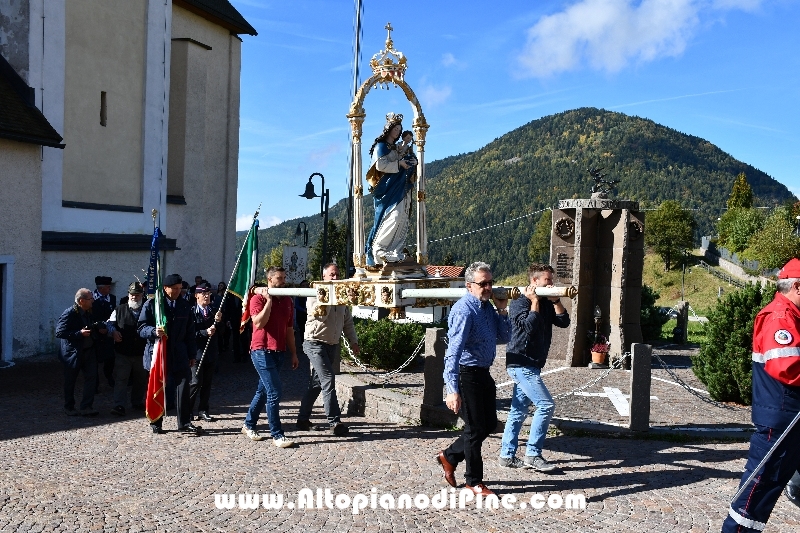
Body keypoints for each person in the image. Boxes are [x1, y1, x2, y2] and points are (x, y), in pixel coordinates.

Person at [721, 258, 800, 532]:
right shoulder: (780, 317)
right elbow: (787, 366)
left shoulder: (791, 314)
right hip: (782, 421)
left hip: (790, 418)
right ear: (797, 287)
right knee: (755, 497)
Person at [436, 261, 510, 496]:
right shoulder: (464, 311)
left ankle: (449, 456)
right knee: (475, 427)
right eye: (483, 284)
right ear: (469, 286)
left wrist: (502, 310)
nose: (488, 287)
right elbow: (453, 352)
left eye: (490, 282)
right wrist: (452, 389)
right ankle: (474, 481)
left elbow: (504, 336)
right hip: (466, 374)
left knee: (488, 425)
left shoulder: (487, 307)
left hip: (483, 373)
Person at [498, 263, 569, 471]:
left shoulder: (547, 302)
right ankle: (532, 454)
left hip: (533, 363)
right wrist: (534, 302)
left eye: (551, 279)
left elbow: (564, 322)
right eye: (547, 280)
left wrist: (556, 301)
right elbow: (530, 326)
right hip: (520, 362)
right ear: (534, 281)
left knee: (517, 411)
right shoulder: (519, 302)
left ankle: (506, 456)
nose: (551, 283)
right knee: (546, 405)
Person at [296, 264, 358, 435]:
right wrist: (330, 298)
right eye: (332, 275)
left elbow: (347, 321)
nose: (335, 278)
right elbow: (320, 316)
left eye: (337, 275)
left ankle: (302, 419)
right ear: (324, 277)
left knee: (316, 384)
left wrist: (354, 341)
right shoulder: (315, 292)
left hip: (332, 344)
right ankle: (334, 422)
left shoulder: (342, 294)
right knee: (328, 379)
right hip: (314, 342)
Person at [138, 274, 203, 435]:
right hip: (159, 352)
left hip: (180, 352)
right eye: (174, 289)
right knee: (160, 386)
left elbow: (190, 332)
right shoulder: (153, 304)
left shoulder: (184, 305)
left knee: (183, 386)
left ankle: (184, 422)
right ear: (165, 288)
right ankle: (156, 421)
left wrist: (192, 354)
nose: (178, 292)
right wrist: (153, 331)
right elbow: (141, 328)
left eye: (180, 289)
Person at [241, 267, 299, 447]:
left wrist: (294, 353)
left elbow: (289, 329)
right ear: (270, 280)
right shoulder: (257, 299)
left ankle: (248, 424)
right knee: (275, 391)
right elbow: (259, 322)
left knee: (264, 390)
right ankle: (277, 434)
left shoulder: (288, 301)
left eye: (284, 277)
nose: (283, 281)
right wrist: (269, 301)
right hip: (261, 350)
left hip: (279, 351)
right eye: (279, 278)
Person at [364, 112, 417, 266]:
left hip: (399, 185)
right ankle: (379, 250)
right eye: (395, 129)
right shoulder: (380, 146)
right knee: (392, 216)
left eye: (399, 130)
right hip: (386, 188)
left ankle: (395, 250)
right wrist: (399, 164)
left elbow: (405, 156)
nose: (398, 132)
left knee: (402, 216)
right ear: (388, 129)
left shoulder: (397, 147)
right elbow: (380, 165)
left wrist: (411, 161)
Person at [55, 289, 100, 416]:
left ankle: (86, 406)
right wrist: (78, 334)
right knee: (70, 380)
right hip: (73, 353)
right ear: (82, 301)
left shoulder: (88, 312)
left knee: (91, 378)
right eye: (90, 299)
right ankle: (69, 407)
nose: (93, 301)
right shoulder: (70, 313)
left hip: (89, 351)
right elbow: (59, 332)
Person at [107, 282, 148, 416]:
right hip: (123, 352)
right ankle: (119, 405)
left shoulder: (148, 308)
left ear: (142, 295)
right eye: (132, 295)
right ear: (128, 295)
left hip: (141, 352)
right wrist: (113, 332)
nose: (134, 297)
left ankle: (136, 402)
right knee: (121, 379)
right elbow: (109, 324)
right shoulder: (119, 309)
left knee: (141, 379)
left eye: (137, 295)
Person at [190, 281, 222, 422]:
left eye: (208, 293)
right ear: (196, 295)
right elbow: (189, 333)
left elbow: (223, 334)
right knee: (195, 382)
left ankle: (203, 409)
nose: (206, 296)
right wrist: (204, 332)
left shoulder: (214, 312)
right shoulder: (191, 312)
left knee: (207, 383)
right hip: (196, 353)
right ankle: (188, 410)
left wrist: (219, 322)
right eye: (203, 293)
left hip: (210, 352)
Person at [93, 275, 116, 388]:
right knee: (94, 360)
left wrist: (107, 327)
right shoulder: (90, 298)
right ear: (101, 288)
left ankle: (109, 376)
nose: (110, 289)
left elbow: (113, 316)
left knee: (110, 357)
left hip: (107, 333)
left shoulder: (112, 298)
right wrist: (98, 327)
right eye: (108, 287)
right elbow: (89, 316)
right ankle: (95, 382)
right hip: (94, 333)